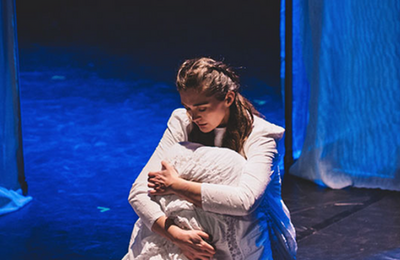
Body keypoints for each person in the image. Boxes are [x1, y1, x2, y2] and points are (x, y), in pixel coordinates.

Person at [123, 57, 297, 260]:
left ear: (229, 99)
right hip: (193, 232)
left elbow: (245, 200)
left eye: (202, 108)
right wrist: (175, 234)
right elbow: (139, 192)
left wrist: (176, 185)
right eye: (188, 108)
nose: (194, 116)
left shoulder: (261, 135)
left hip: (246, 236)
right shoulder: (183, 122)